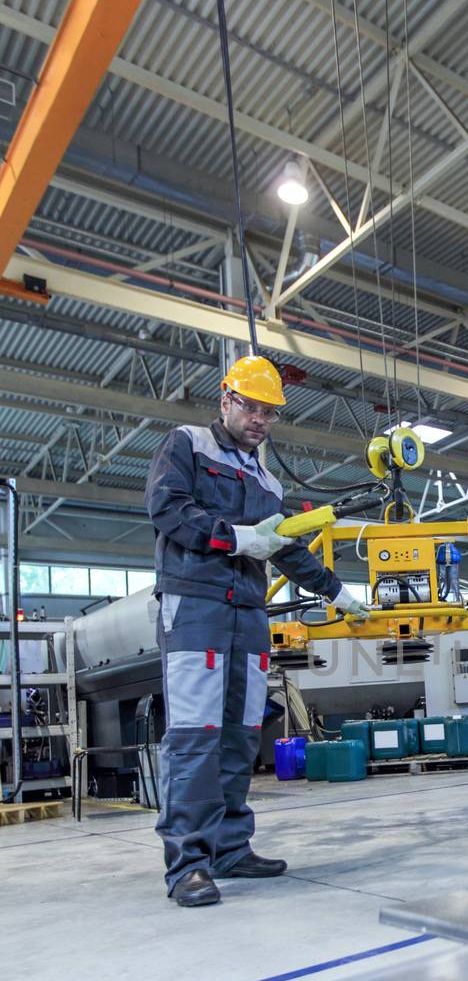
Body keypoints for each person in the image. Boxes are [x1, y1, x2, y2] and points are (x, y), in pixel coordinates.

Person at [145, 354, 370, 908]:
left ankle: (229, 847)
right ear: (226, 399)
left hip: (247, 615)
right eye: (251, 406)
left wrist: (337, 592)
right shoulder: (187, 445)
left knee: (243, 733)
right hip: (195, 604)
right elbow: (167, 509)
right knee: (195, 737)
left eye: (269, 411)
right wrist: (238, 540)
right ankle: (188, 865)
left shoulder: (265, 479)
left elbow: (286, 547)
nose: (260, 419)